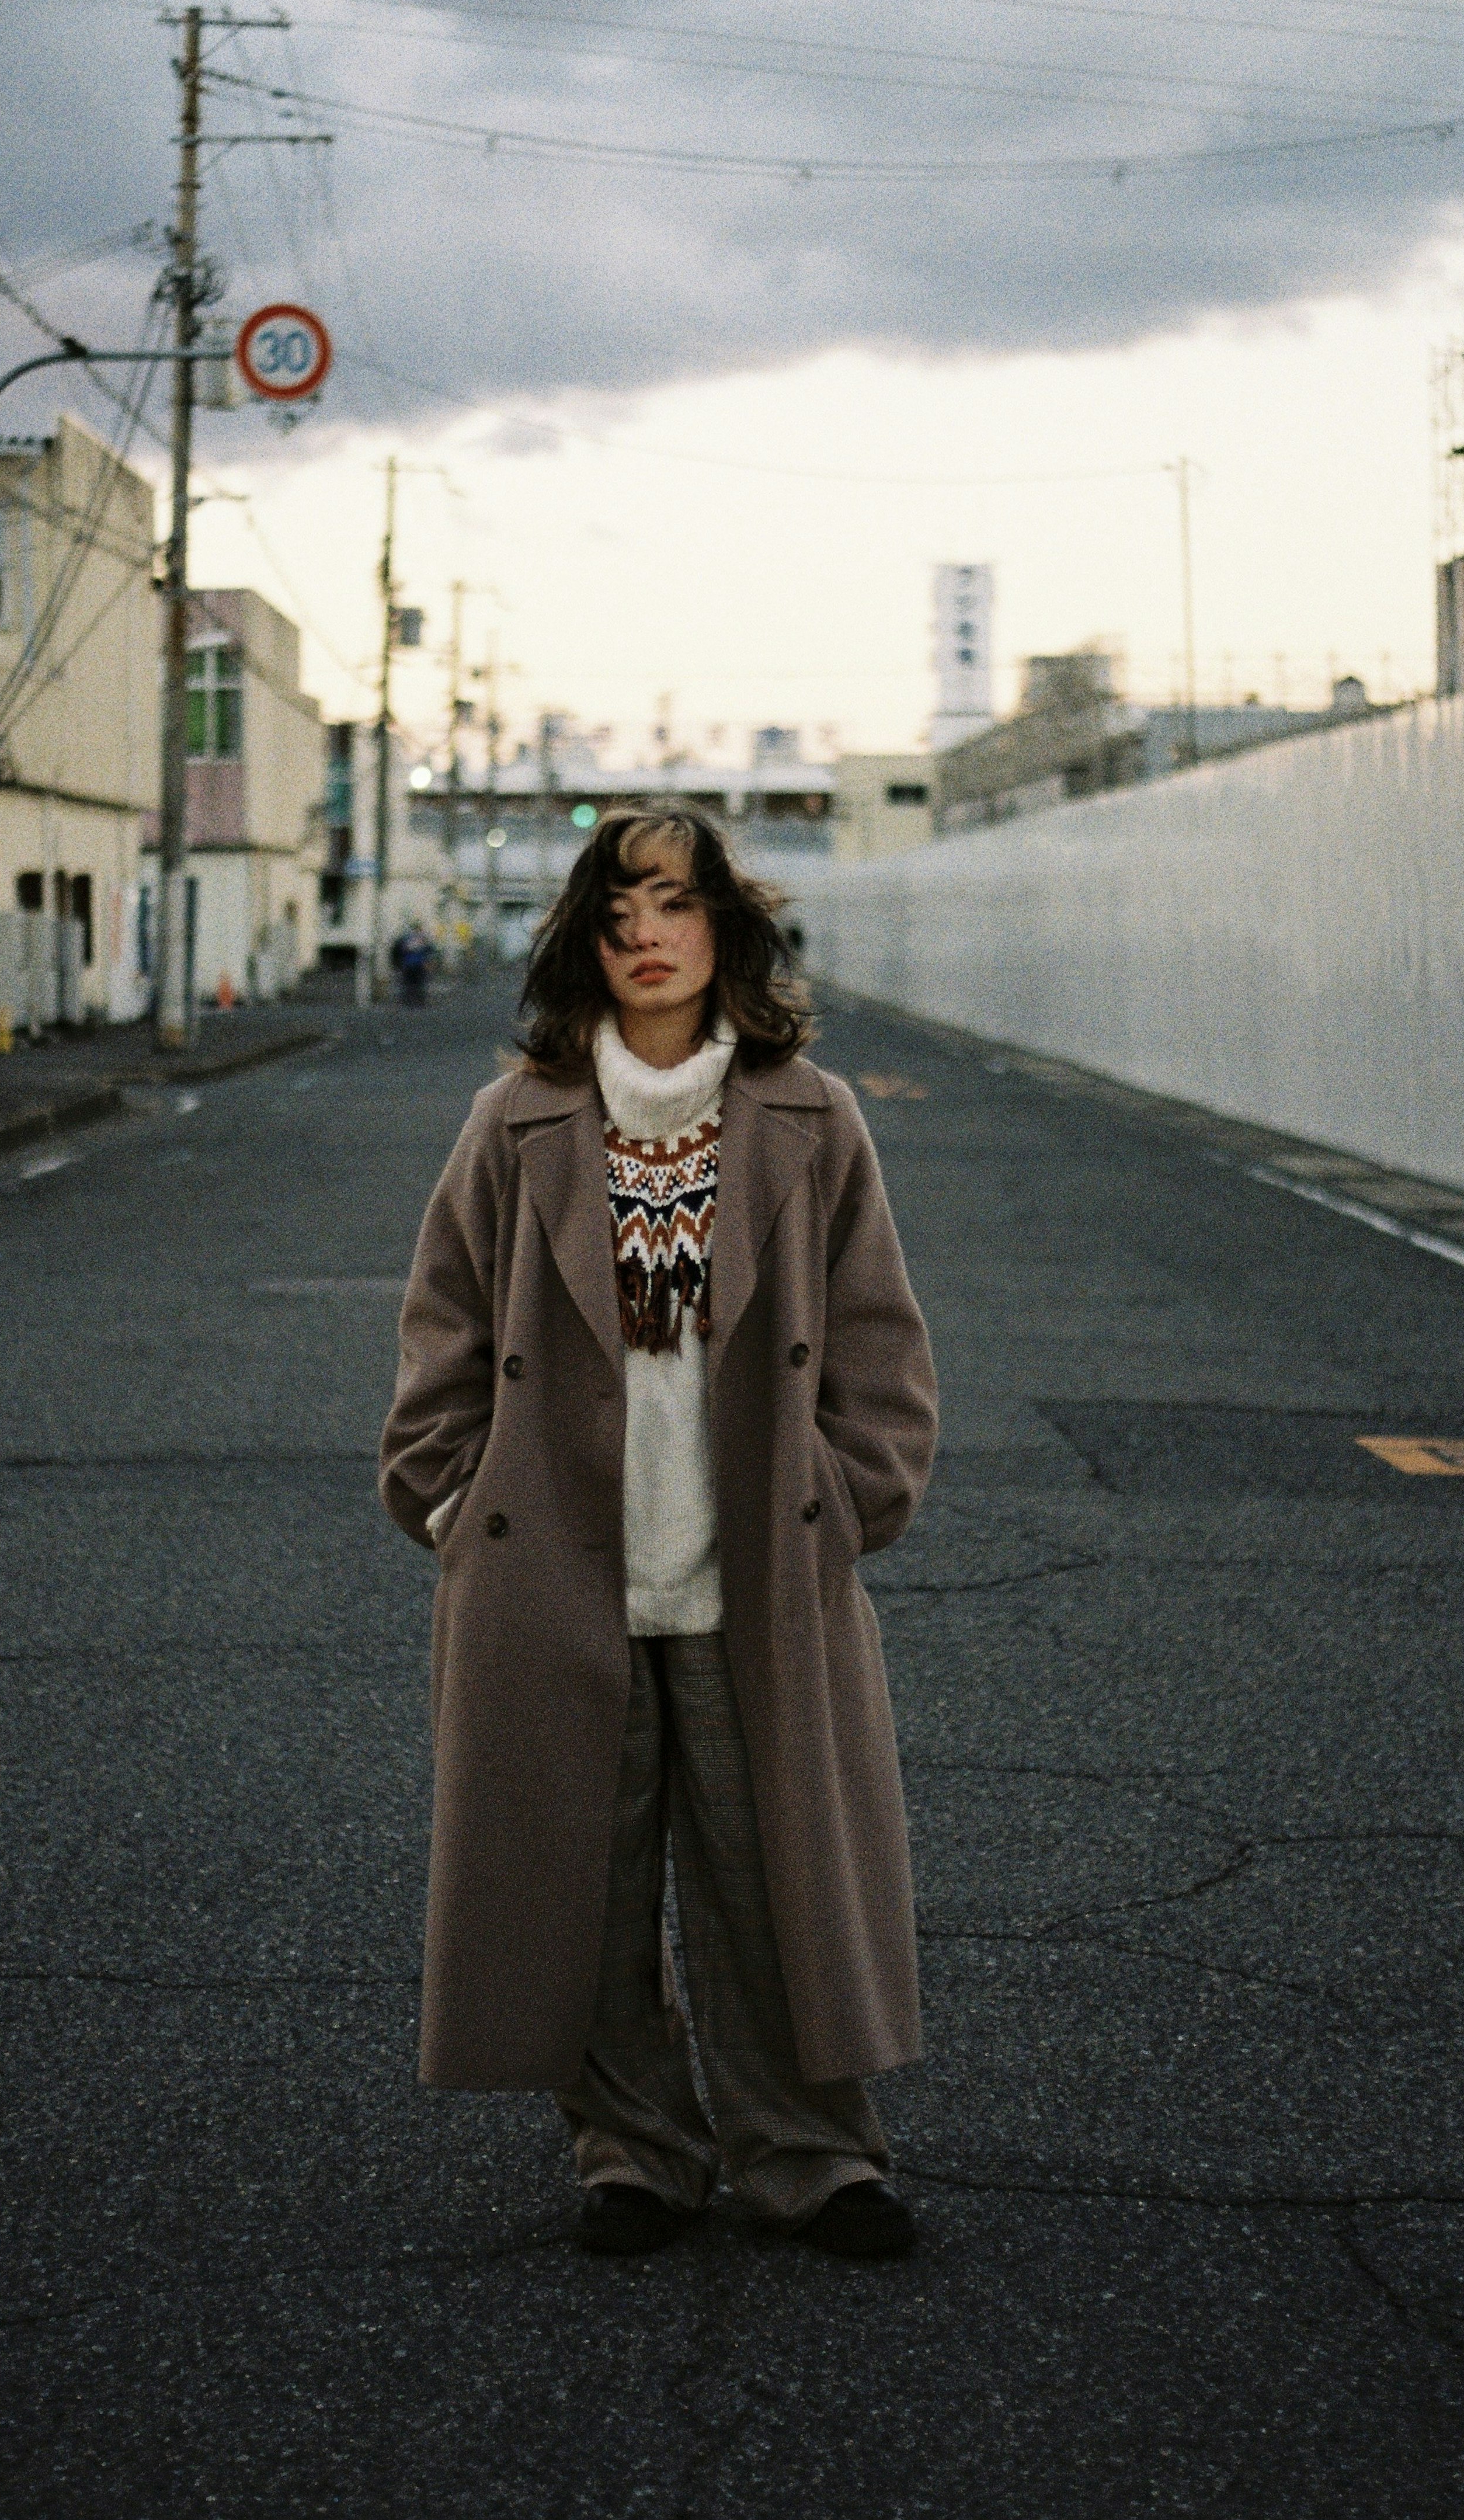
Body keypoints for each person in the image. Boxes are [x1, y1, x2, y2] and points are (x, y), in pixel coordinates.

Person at [379, 806, 938, 2258]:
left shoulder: (810, 1118)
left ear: (726, 934)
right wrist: (450, 1497)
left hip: (752, 1561)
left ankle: (813, 2155)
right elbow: (442, 1329)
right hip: (556, 1567)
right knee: (585, 1875)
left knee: (774, 1879)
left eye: (675, 906)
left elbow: (879, 1338)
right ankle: (631, 2148)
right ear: (584, 938)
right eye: (618, 911)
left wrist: (849, 1503)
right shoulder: (518, 1123)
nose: (645, 934)